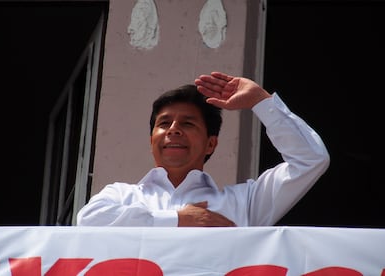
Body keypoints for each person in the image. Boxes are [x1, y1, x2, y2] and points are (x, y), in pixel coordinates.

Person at [76, 71, 330, 227]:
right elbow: (87, 221)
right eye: (164, 123)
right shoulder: (120, 196)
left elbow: (310, 160)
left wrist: (261, 101)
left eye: (187, 123)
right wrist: (178, 220)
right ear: (152, 138)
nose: (173, 129)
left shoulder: (244, 204)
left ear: (211, 143)